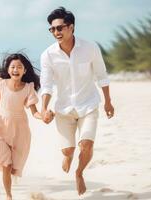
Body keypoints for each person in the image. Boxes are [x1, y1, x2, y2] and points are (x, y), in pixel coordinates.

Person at [40, 7, 115, 195]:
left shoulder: (90, 48)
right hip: (63, 110)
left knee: (86, 145)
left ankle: (79, 173)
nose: (56, 32)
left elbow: (101, 76)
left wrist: (108, 101)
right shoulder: (48, 55)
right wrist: (43, 109)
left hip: (88, 104)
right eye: (52, 29)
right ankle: (67, 156)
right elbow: (47, 85)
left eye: (60, 28)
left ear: (71, 27)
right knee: (68, 151)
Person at [0, 53, 42, 200]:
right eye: (12, 67)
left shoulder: (28, 88)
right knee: (6, 163)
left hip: (20, 129)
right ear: (8, 69)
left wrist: (43, 116)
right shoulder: (2, 84)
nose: (15, 69)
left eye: (19, 67)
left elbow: (34, 112)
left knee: (13, 167)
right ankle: (8, 195)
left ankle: (10, 185)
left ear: (24, 70)